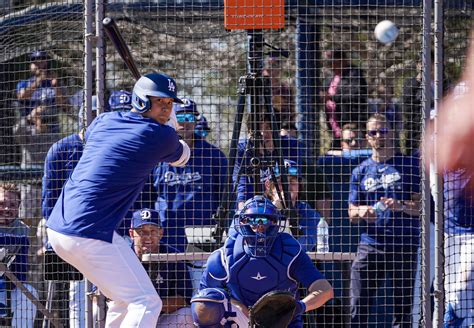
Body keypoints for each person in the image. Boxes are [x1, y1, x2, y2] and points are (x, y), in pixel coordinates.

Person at [45, 72, 191, 327]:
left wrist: (166, 125)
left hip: (61, 229)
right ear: (142, 101)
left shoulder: (104, 120)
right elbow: (182, 157)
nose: (166, 109)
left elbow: (96, 138)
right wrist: (172, 127)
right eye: (160, 102)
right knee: (147, 302)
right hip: (89, 233)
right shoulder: (160, 136)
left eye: (170, 104)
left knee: (122, 299)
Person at [191, 196, 334, 327]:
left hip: (283, 323)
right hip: (242, 320)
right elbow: (202, 300)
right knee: (205, 306)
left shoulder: (289, 250)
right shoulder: (226, 255)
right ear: (242, 222)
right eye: (253, 220)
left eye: (265, 220)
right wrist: (237, 306)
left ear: (274, 222)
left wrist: (299, 307)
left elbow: (326, 290)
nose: (259, 226)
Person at [348, 113, 421, 327]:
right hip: (371, 245)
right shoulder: (360, 171)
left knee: (404, 309)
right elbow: (350, 212)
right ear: (367, 137)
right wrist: (362, 211)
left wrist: (401, 206)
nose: (379, 135)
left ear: (392, 134)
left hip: (403, 244)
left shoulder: (409, 166)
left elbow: (422, 209)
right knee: (358, 305)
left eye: (384, 131)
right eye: (374, 132)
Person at [153, 98, 227, 251]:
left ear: (195, 121)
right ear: (171, 119)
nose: (185, 123)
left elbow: (226, 195)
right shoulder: (157, 153)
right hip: (166, 233)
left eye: (190, 118)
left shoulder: (214, 155)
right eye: (180, 117)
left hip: (203, 234)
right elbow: (147, 195)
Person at [234, 114, 332, 219]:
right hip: (251, 206)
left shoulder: (291, 145)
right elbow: (241, 185)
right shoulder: (242, 150)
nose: (263, 133)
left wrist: (270, 149)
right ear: (250, 132)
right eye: (258, 129)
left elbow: (290, 177)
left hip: (284, 203)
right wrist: (243, 213)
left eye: (268, 128)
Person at [128, 208, 194, 327]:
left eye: (153, 231)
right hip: (128, 317)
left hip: (161, 318)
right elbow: (102, 295)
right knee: (97, 310)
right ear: (132, 234)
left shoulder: (172, 256)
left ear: (161, 233)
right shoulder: (122, 255)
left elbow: (184, 299)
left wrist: (153, 305)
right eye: (142, 231)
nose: (148, 237)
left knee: (187, 314)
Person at [262, 158, 322, 251]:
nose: (288, 187)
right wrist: (275, 209)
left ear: (299, 186)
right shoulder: (259, 209)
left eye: (292, 182)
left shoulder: (308, 213)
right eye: (281, 182)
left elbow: (306, 245)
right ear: (268, 185)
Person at [0, 184, 38, 327]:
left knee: (30, 292)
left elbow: (20, 273)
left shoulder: (22, 230)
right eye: (2, 203)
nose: (7, 209)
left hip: (6, 290)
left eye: (12, 205)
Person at [322, 48, 368, 140]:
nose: (330, 65)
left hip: (351, 126)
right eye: (328, 62)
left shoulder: (354, 74)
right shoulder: (331, 78)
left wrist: (332, 97)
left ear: (342, 60)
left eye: (332, 62)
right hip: (334, 127)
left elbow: (358, 95)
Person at [16, 50, 65, 133]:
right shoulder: (24, 83)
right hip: (30, 130)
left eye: (42, 61)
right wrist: (39, 80)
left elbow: (64, 105)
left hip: (52, 129)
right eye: (35, 62)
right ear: (30, 65)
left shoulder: (55, 82)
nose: (39, 65)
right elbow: (21, 96)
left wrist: (56, 86)